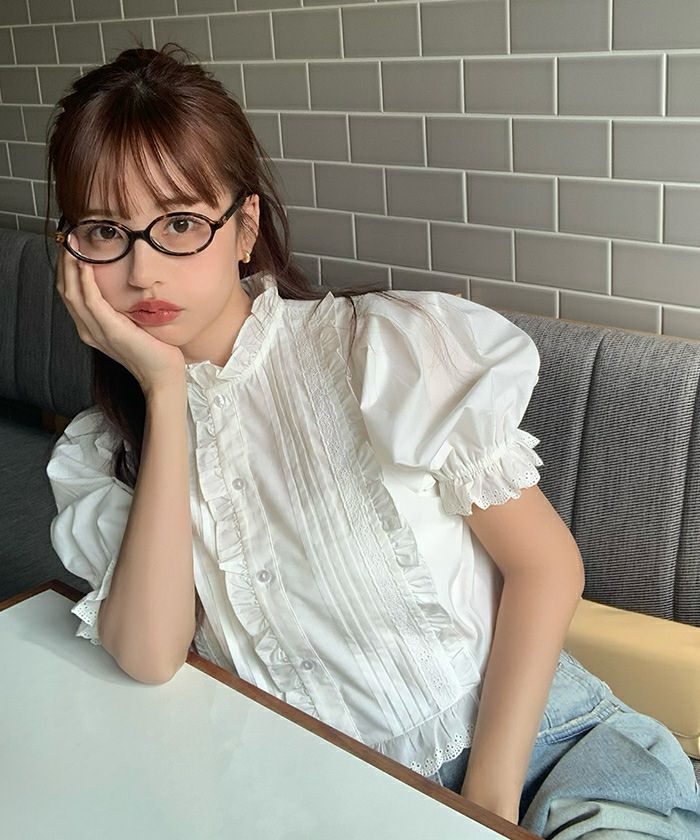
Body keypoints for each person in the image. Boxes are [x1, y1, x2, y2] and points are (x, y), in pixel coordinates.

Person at [43, 42, 700, 838]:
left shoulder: (382, 350)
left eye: (180, 223)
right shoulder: (105, 453)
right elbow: (150, 657)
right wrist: (165, 390)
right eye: (105, 231)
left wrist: (482, 812)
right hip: (332, 799)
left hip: (542, 757)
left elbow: (546, 565)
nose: (143, 270)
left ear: (244, 227)